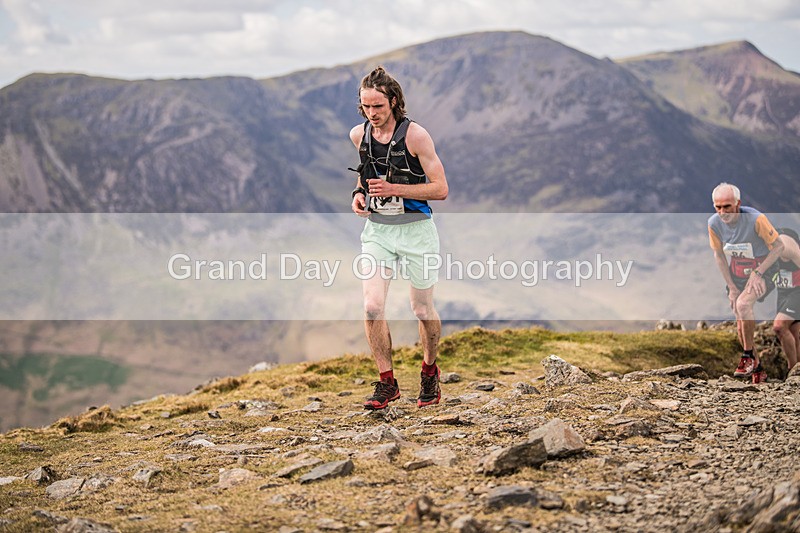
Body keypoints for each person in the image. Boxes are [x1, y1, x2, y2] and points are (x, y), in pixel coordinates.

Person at [349, 66, 449, 409]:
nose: (372, 114)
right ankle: (387, 383)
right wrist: (359, 194)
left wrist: (394, 189)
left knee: (421, 310)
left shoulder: (416, 136)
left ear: (393, 101)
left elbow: (441, 189)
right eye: (366, 107)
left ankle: (429, 372)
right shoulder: (358, 136)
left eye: (378, 106)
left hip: (417, 231)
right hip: (378, 231)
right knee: (372, 306)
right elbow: (368, 176)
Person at [708, 182, 784, 384]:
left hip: (765, 269)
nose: (722, 212)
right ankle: (757, 369)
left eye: (727, 206)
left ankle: (747, 356)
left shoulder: (756, 219)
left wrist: (758, 273)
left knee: (743, 305)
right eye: (718, 207)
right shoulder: (713, 223)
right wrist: (732, 288)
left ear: (738, 203)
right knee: (740, 321)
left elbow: (779, 247)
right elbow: (719, 255)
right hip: (738, 273)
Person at [772, 228, 800, 373]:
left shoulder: (785, 246)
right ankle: (797, 372)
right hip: (783, 291)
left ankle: (792, 372)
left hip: (797, 290)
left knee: (779, 326)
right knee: (793, 331)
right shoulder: (757, 248)